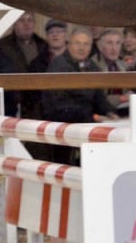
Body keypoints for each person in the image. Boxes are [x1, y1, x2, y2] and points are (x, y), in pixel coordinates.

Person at [41, 27, 117, 164]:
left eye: (86, 44)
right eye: (78, 43)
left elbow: (99, 98)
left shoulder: (92, 67)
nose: (82, 48)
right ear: (69, 44)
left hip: (85, 122)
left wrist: (110, 112)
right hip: (60, 123)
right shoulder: (58, 66)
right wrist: (92, 116)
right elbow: (59, 103)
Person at [0, 11, 47, 117]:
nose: (26, 24)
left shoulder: (43, 45)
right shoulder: (2, 46)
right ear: (15, 24)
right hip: (12, 101)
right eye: (22, 20)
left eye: (30, 20)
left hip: (38, 103)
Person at [91, 27, 132, 114]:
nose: (114, 48)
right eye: (109, 43)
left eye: (117, 43)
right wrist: (121, 98)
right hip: (101, 113)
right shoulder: (92, 66)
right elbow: (98, 98)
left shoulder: (124, 65)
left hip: (125, 110)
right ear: (99, 46)